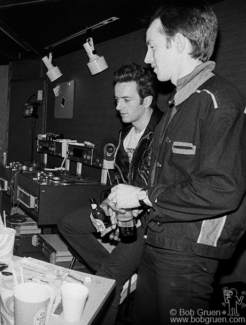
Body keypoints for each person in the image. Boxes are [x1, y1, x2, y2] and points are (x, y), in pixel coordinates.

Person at [108, 3, 246, 324]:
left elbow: (222, 189)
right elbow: (170, 180)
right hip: (158, 240)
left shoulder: (218, 99)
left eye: (152, 46)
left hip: (188, 254)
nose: (147, 57)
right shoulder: (177, 103)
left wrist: (143, 197)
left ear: (179, 43)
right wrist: (136, 201)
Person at [58, 63, 162, 325]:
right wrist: (107, 207)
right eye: (117, 100)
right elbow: (122, 181)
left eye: (126, 100)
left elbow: (161, 190)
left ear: (147, 100)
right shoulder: (125, 132)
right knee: (68, 224)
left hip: (150, 219)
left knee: (105, 280)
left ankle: (111, 280)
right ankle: (118, 275)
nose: (119, 107)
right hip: (121, 210)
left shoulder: (163, 134)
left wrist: (128, 213)